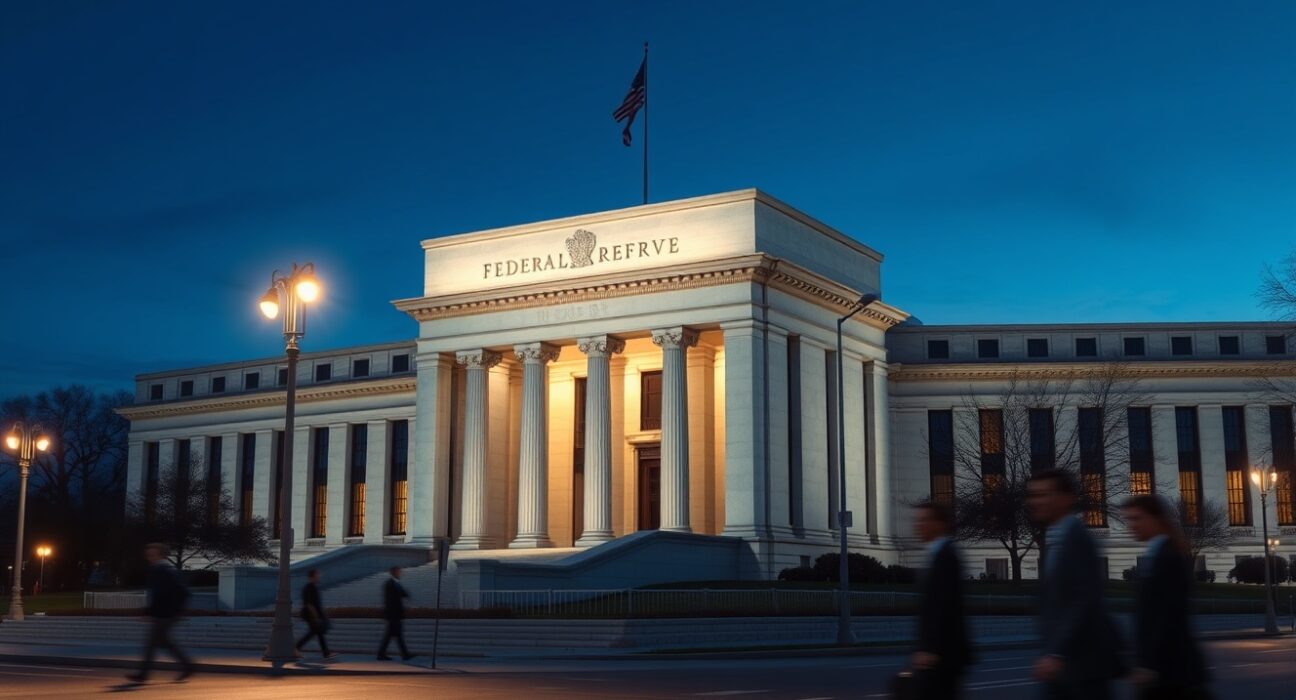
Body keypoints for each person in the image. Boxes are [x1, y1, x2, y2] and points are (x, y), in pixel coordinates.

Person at [1026, 469, 1124, 700]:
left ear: (1066, 498)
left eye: (1044, 495)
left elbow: (1084, 600)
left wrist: (1057, 653)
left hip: (1081, 664)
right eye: (1033, 495)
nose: (1035, 502)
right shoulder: (1056, 537)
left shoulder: (1078, 538)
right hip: (1066, 666)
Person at [1122, 495, 1212, 700]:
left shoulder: (1168, 556)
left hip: (1170, 671)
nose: (1131, 525)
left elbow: (1168, 616)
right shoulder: (1158, 553)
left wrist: (1149, 663)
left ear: (1155, 519)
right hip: (1167, 670)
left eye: (1136, 519)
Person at [910, 501, 972, 700]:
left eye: (924, 520)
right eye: (918, 520)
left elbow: (943, 606)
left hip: (942, 656)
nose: (918, 525)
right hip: (939, 655)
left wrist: (930, 648)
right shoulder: (937, 553)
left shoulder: (946, 555)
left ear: (940, 523)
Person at [127, 543, 194, 683]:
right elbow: (170, 592)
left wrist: (150, 612)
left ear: (160, 555)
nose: (149, 557)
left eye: (152, 554)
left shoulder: (162, 569)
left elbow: (164, 593)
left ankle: (143, 674)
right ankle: (188, 666)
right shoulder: (163, 569)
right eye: (148, 554)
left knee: (152, 643)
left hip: (165, 614)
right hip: (166, 613)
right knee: (165, 642)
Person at [296, 569, 335, 659]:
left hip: (312, 615)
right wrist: (316, 616)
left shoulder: (312, 586)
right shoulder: (310, 587)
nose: (319, 576)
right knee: (315, 632)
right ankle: (296, 647)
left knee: (316, 632)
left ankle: (326, 653)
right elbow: (309, 604)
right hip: (311, 615)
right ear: (312, 576)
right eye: (317, 575)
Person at [377, 566, 412, 661]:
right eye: (398, 572)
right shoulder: (389, 584)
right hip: (393, 615)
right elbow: (391, 600)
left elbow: (401, 594)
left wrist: (405, 594)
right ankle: (405, 655)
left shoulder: (396, 583)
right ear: (393, 573)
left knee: (390, 636)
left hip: (394, 615)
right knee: (397, 636)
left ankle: (381, 654)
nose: (400, 573)